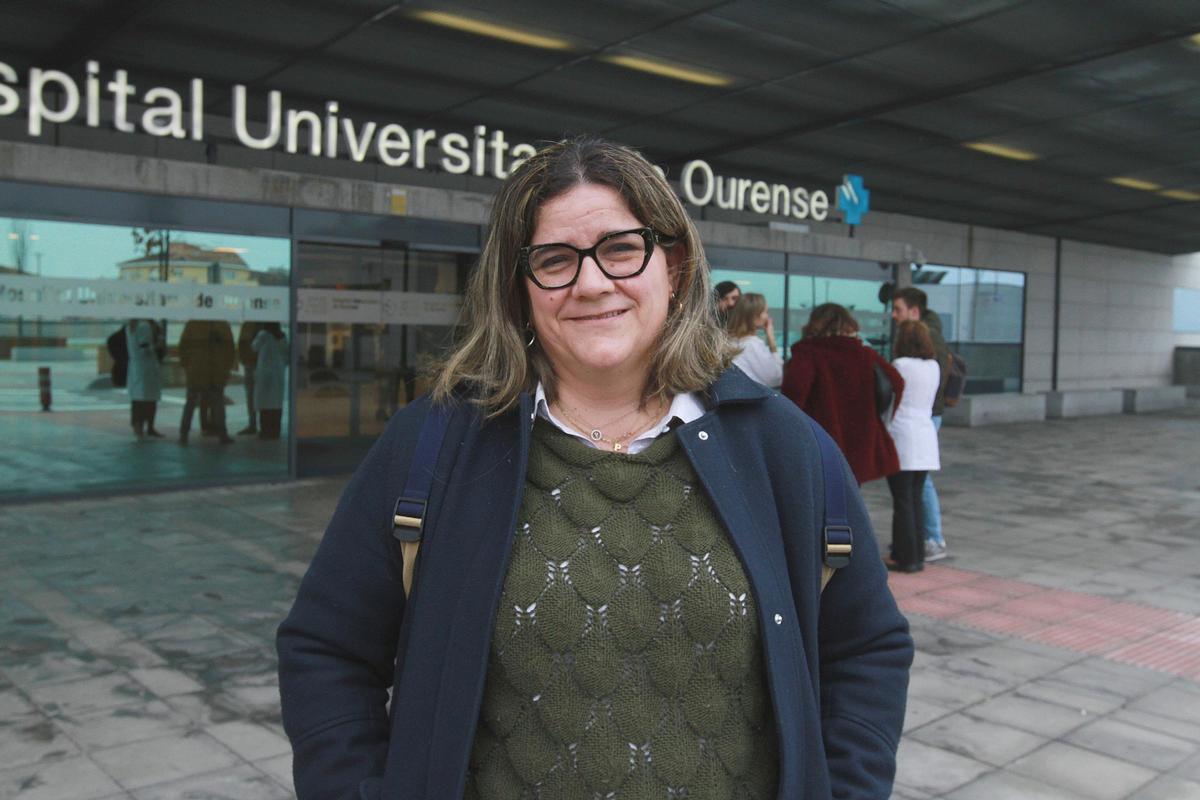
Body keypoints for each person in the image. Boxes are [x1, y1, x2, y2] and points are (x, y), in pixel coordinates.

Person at [277, 136, 911, 800]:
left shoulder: (783, 446)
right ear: (518, 288)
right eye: (554, 259)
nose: (591, 283)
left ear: (674, 265)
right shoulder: (432, 444)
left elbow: (866, 649)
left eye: (621, 249)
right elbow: (326, 649)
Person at [781, 303, 904, 485]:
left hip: (818, 443)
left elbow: (793, 398)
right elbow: (897, 382)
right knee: (850, 495)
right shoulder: (865, 355)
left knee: (818, 497)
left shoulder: (808, 354)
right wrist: (878, 417)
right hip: (860, 443)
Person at [891, 287, 950, 561]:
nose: (894, 316)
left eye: (898, 310)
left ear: (914, 312)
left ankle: (926, 541)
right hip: (925, 424)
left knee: (910, 493)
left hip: (911, 426)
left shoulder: (903, 364)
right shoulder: (931, 363)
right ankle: (916, 544)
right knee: (917, 489)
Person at [884, 320, 941, 573]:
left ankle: (904, 556)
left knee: (902, 500)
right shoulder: (934, 366)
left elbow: (890, 399)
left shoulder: (901, 365)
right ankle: (916, 554)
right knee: (915, 498)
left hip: (902, 435)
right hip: (925, 435)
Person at [178, 319, 236, 445]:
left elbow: (182, 348)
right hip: (215, 371)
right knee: (217, 404)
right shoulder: (222, 325)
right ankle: (222, 434)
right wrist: (226, 368)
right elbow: (230, 350)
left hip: (197, 370)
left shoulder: (193, 324)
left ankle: (184, 434)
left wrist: (188, 365)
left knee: (191, 403)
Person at [727, 292, 783, 388]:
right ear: (755, 316)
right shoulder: (752, 344)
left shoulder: (727, 341)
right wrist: (772, 341)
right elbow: (776, 378)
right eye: (765, 312)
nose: (767, 317)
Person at [125, 318, 165, 439]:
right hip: (146, 367)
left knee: (138, 398)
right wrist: (158, 345)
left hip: (136, 367)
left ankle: (138, 426)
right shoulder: (144, 326)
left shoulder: (130, 326)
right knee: (149, 399)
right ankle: (148, 427)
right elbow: (145, 349)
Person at [251, 322, 287, 439]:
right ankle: (275, 431)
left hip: (265, 375)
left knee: (265, 405)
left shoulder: (263, 334)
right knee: (276, 405)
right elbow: (287, 355)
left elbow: (254, 347)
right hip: (278, 374)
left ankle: (265, 431)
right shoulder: (283, 337)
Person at [236, 321, 266, 435]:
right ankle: (256, 424)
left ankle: (254, 424)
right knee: (254, 395)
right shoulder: (259, 324)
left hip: (254, 364)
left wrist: (243, 359)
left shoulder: (248, 325)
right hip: (253, 364)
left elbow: (241, 344)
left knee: (252, 395)